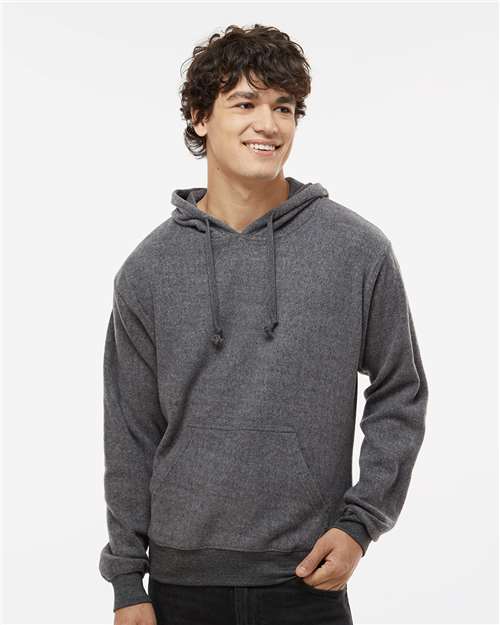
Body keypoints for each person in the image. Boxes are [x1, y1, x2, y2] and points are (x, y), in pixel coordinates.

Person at [98, 23, 429, 625]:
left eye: (284, 107)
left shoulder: (356, 250)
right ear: (200, 117)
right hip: (179, 586)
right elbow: (130, 431)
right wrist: (126, 581)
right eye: (245, 103)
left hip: (307, 581)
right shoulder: (147, 270)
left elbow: (400, 390)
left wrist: (361, 522)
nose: (269, 125)